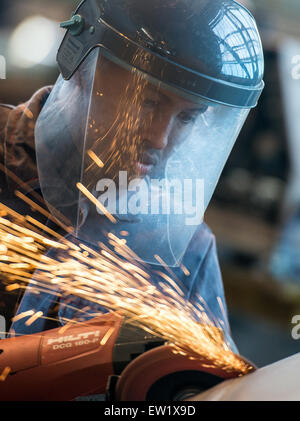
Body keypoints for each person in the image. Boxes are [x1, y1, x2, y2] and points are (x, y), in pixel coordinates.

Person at [0, 0, 264, 352]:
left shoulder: (185, 251)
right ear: (80, 65)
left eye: (186, 118)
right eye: (148, 102)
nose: (160, 138)